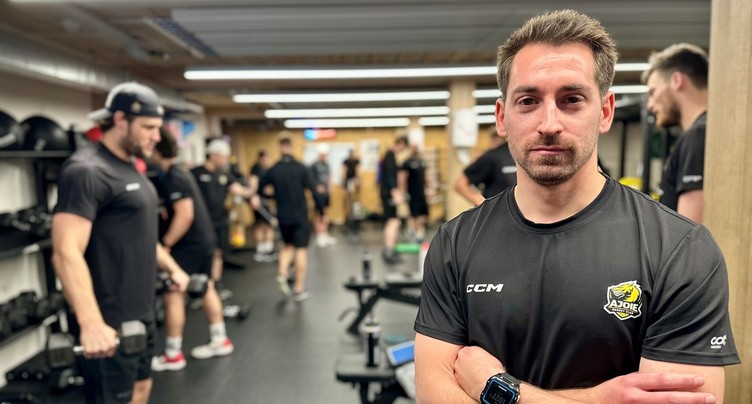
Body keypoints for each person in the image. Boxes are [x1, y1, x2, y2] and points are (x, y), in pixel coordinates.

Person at [414, 9, 739, 404]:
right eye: (528, 100)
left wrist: (500, 389)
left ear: (605, 112)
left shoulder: (680, 248)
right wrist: (598, 400)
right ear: (502, 117)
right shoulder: (455, 243)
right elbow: (432, 392)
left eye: (571, 100)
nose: (549, 123)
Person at [51, 82, 190, 404]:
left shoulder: (129, 166)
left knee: (141, 389)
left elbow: (140, 235)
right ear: (120, 120)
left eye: (157, 128)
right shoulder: (86, 171)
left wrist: (173, 268)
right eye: (148, 127)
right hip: (109, 318)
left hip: (141, 310)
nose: (156, 137)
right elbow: (65, 251)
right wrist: (91, 323)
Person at [149, 129, 234, 372]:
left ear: (157, 150)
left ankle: (173, 354)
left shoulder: (174, 177)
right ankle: (220, 339)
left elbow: (185, 215)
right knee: (205, 286)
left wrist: (166, 243)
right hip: (203, 240)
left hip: (190, 244)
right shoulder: (177, 174)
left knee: (174, 292)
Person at [643, 43, 709, 223]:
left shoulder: (698, 135)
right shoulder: (708, 132)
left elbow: (690, 231)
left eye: (652, 92)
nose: (650, 105)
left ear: (677, 80)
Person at [252, 136, 316, 301]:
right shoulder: (301, 168)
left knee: (288, 245)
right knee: (301, 249)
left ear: (280, 148)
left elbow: (259, 189)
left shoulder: (274, 170)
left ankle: (282, 273)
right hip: (300, 215)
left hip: (283, 215)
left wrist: (273, 195)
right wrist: (321, 209)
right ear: (291, 147)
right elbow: (313, 189)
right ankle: (299, 289)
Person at [190, 138, 253, 300]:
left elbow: (240, 191)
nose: (225, 160)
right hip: (200, 223)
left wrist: (253, 188)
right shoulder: (195, 173)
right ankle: (198, 290)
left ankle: (215, 286)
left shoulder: (224, 174)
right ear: (213, 155)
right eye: (223, 157)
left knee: (218, 254)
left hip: (220, 221)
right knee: (202, 256)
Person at [454, 127, 517, 206]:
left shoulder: (520, 155)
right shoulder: (491, 157)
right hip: (498, 209)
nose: (493, 143)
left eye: (495, 138)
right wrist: (483, 203)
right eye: (493, 138)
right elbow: (460, 184)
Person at [380, 136, 409, 264]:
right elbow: (390, 176)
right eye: (403, 147)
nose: (403, 150)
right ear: (401, 143)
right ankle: (388, 250)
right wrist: (395, 193)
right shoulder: (390, 155)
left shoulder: (390, 155)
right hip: (388, 194)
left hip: (388, 193)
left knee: (393, 221)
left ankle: (390, 249)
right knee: (393, 221)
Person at [249, 150, 277, 262]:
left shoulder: (270, 170)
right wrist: (253, 195)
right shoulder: (255, 170)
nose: (266, 161)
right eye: (264, 159)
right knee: (260, 226)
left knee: (269, 225)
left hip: (268, 201)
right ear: (260, 159)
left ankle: (268, 249)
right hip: (259, 202)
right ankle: (260, 251)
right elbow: (253, 185)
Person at [398, 145, 429, 242]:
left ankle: (413, 232)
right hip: (412, 193)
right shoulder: (407, 162)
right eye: (414, 148)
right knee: (413, 215)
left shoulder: (422, 161)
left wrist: (429, 188)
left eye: (417, 147)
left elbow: (426, 176)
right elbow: (402, 177)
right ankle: (414, 234)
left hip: (421, 193)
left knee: (423, 215)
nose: (415, 149)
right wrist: (403, 192)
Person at [309, 144, 337, 247]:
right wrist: (316, 186)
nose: (325, 157)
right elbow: (310, 180)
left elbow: (329, 176)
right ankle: (319, 236)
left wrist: (330, 186)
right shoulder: (313, 166)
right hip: (318, 195)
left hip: (326, 194)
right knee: (318, 215)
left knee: (325, 214)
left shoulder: (327, 164)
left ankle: (325, 234)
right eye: (323, 155)